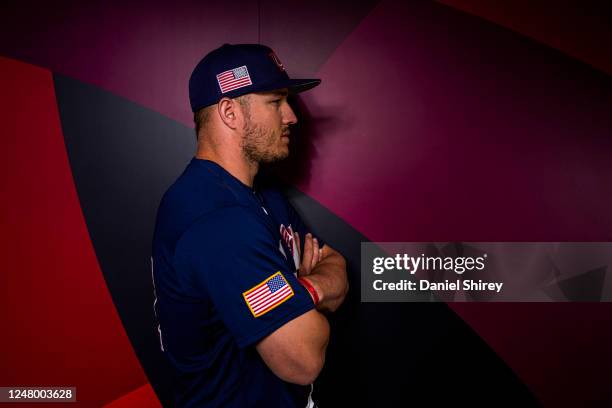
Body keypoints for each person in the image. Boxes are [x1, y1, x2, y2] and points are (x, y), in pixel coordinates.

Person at [152, 43, 348, 407]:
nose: (291, 117)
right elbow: (303, 359)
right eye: (275, 102)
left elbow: (336, 265)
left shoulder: (262, 194)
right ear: (230, 112)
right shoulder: (215, 218)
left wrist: (301, 291)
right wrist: (312, 290)